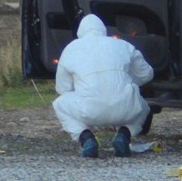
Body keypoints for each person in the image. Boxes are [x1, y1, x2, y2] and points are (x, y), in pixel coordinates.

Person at [52, 14, 154, 158]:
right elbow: (146, 74)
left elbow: (62, 89)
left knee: (59, 104)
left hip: (89, 111)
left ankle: (86, 138)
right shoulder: (123, 45)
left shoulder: (71, 49)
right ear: (103, 30)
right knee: (143, 106)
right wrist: (128, 83)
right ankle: (124, 135)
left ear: (80, 32)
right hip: (124, 108)